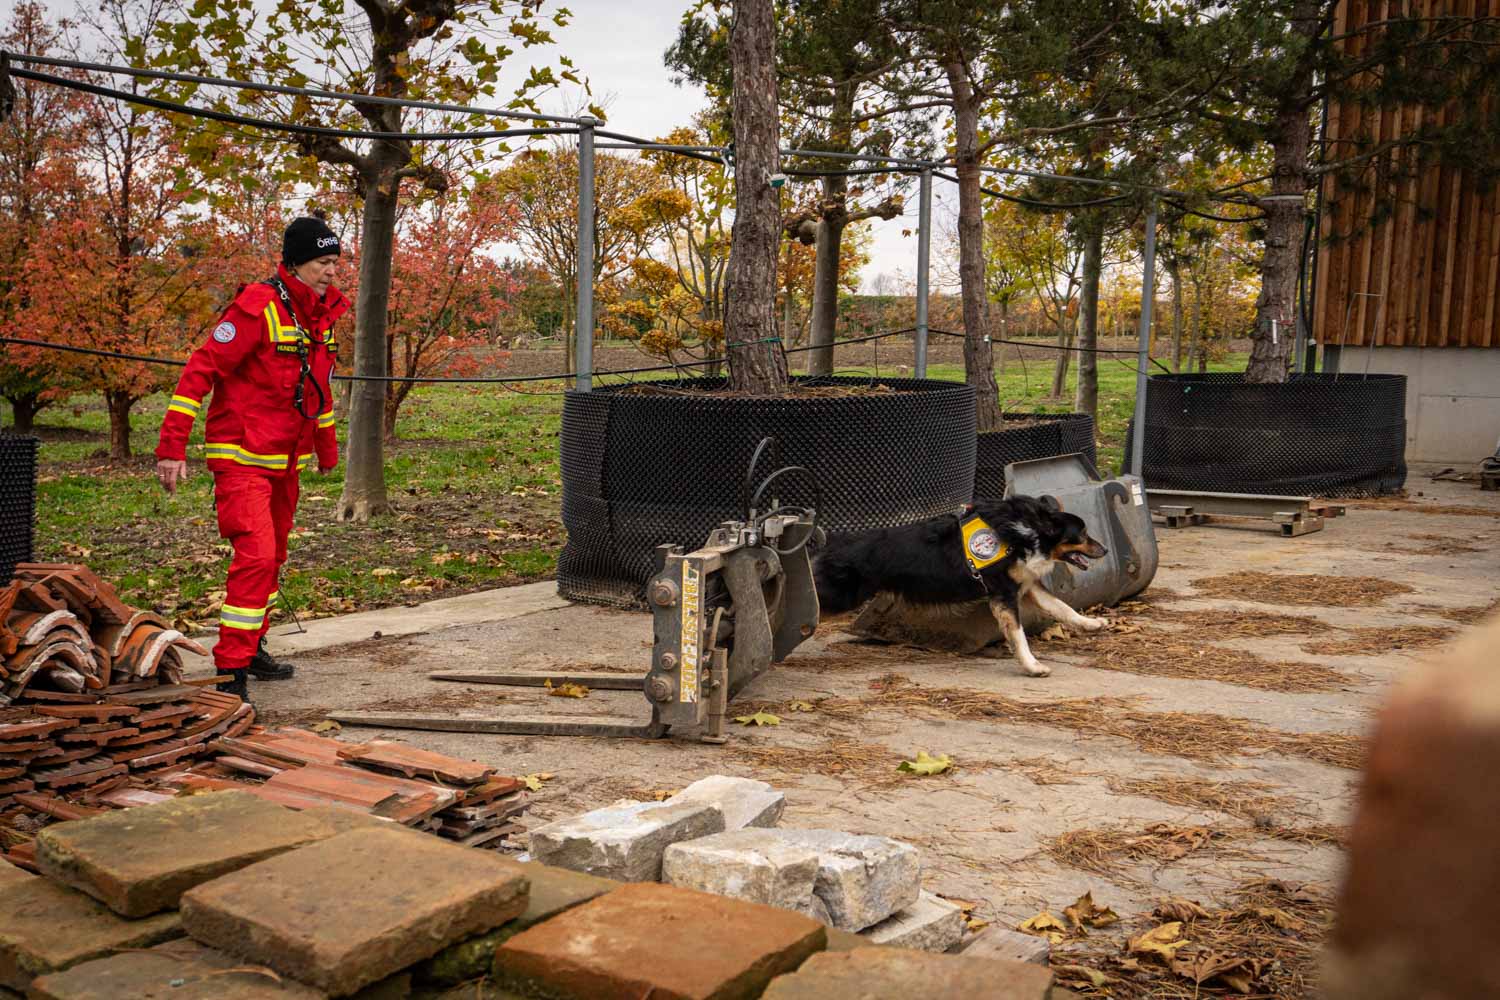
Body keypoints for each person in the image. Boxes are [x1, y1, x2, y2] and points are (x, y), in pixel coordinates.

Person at [153, 216, 350, 700]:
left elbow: (319, 389)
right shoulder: (257, 307)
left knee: (274, 557)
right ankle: (231, 671)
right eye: (323, 262)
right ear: (296, 263)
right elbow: (200, 371)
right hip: (242, 457)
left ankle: (252, 645)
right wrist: (172, 447)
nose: (332, 272)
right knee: (257, 557)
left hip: (286, 461)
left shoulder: (320, 314)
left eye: (335, 262)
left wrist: (327, 448)